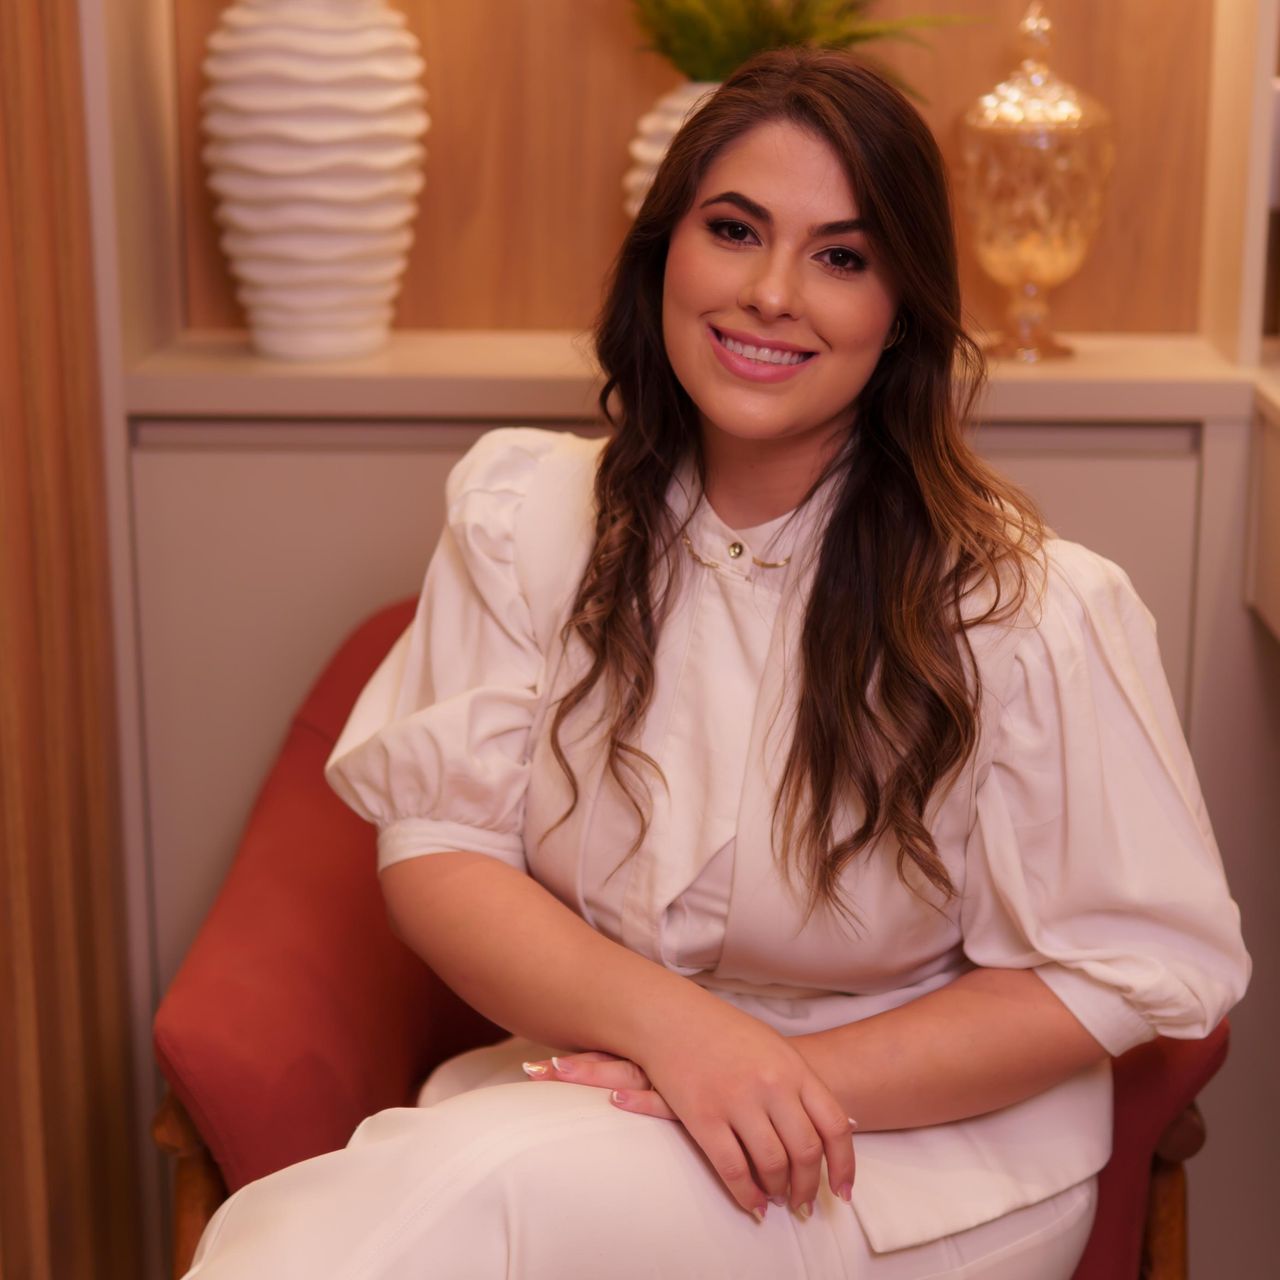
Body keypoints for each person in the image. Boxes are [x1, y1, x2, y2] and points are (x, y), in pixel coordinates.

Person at [181, 48, 1250, 1279]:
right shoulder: (522, 518)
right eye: (733, 230)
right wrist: (679, 1038)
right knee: (443, 1204)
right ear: (663, 253)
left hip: (910, 1153)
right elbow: (441, 849)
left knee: (446, 1214)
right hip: (595, 1092)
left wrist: (765, 1075)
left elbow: (1118, 966)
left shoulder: (1026, 604)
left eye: (841, 257)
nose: (770, 293)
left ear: (900, 309)